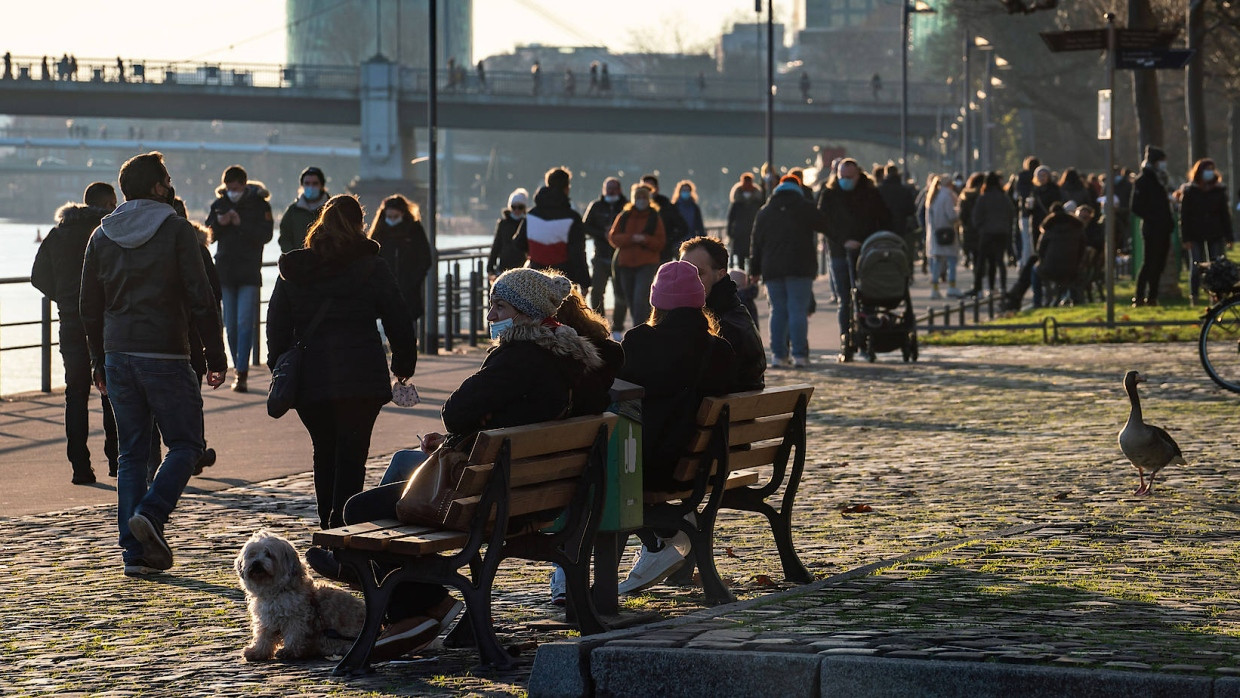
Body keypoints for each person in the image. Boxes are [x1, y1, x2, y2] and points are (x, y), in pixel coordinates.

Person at [307, 268, 600, 659]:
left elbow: (455, 411)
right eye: (490, 305)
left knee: (358, 508)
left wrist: (475, 420)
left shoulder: (516, 358)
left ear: (527, 313)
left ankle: (421, 609)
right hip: (530, 495)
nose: (491, 316)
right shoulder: (563, 358)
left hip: (487, 501)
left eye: (501, 306)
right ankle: (423, 610)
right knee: (387, 495)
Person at [80, 151, 227, 576]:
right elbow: (201, 298)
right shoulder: (177, 230)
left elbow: (88, 304)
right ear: (158, 186)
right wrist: (216, 356)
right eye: (167, 179)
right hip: (165, 351)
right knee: (186, 444)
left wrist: (97, 359)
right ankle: (152, 513)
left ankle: (135, 553)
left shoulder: (101, 235)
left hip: (117, 354)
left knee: (131, 453)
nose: (170, 185)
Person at [267, 195, 417, 530]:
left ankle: (328, 525)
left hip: (310, 377)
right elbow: (397, 316)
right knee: (352, 455)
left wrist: (278, 364)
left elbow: (276, 321)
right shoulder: (371, 267)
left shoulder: (294, 268)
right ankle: (345, 525)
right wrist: (404, 363)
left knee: (324, 449)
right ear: (359, 226)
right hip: (361, 376)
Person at [616, 260, 734, 593]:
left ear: (656, 303)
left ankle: (663, 537)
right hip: (701, 465)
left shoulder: (640, 342)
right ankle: (667, 534)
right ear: (699, 302)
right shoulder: (720, 350)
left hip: (650, 466)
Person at [31, 182, 120, 484]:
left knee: (76, 393)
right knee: (111, 391)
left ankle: (80, 467)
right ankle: (116, 460)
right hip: (105, 321)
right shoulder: (106, 233)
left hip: (70, 321)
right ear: (107, 203)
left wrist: (66, 299)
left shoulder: (58, 234)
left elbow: (37, 276)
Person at [205, 165, 273, 393]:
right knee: (230, 326)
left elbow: (266, 235)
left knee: (245, 323)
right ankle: (236, 366)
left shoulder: (260, 205)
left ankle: (242, 371)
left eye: (235, 188)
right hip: (224, 272)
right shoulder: (219, 204)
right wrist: (220, 225)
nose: (232, 192)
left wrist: (240, 224)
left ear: (244, 185)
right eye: (228, 188)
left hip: (249, 272)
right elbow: (207, 233)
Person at [817, 158, 890, 360]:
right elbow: (823, 222)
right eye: (842, 176)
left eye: (849, 177)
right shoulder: (830, 194)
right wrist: (843, 241)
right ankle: (846, 341)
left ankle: (868, 341)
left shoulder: (870, 193)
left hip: (867, 252)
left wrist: (871, 241)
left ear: (859, 175)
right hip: (839, 252)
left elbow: (884, 218)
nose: (845, 180)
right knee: (844, 299)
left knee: (868, 298)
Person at [752, 175, 829, 368]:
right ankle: (799, 355)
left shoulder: (765, 212)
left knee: (777, 311)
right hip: (800, 267)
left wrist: (754, 270)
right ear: (798, 189)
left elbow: (756, 243)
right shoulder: (806, 208)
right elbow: (826, 226)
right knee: (797, 311)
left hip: (772, 268)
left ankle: (778, 355)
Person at [171, 197, 223, 476]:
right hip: (191, 338)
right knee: (191, 399)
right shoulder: (197, 249)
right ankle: (194, 451)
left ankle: (164, 460)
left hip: (153, 339)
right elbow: (213, 296)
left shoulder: (142, 246)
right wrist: (216, 353)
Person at [681, 236, 765, 391]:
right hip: (733, 410)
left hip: (719, 412)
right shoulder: (733, 311)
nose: (687, 280)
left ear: (720, 274)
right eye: (683, 272)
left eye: (698, 273)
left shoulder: (724, 327)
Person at [514, 167, 591, 291]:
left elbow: (519, 243)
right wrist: (585, 282)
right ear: (567, 188)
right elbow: (578, 254)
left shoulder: (532, 215)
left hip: (536, 277)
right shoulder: (572, 217)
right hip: (564, 280)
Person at [608, 183, 667, 329]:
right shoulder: (624, 216)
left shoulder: (654, 218)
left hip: (646, 263)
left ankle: (639, 328)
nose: (641, 200)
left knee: (640, 298)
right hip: (625, 264)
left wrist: (645, 239)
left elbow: (660, 242)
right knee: (629, 298)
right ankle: (641, 327)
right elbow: (613, 238)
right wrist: (631, 238)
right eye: (638, 197)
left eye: (644, 197)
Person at [367, 195, 432, 323]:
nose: (391, 220)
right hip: (385, 288)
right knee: (387, 320)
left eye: (395, 217)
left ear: (403, 213)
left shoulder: (414, 230)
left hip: (408, 287)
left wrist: (414, 279)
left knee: (407, 323)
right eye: (389, 216)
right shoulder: (380, 231)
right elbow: (371, 256)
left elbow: (425, 258)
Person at [1180, 158, 1233, 305]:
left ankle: (1216, 296)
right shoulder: (1190, 191)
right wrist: (1186, 238)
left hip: (1215, 232)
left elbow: (1224, 214)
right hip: (1195, 233)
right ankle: (1194, 295)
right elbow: (1185, 216)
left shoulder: (1219, 190)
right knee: (1196, 265)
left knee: (1216, 266)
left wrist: (1229, 237)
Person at [582, 177, 629, 335]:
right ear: (603, 190)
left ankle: (617, 327)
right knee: (596, 293)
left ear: (620, 190)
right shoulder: (596, 206)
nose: (611, 192)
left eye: (614, 189)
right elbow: (585, 226)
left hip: (621, 257)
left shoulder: (627, 207)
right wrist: (603, 234)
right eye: (608, 189)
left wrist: (616, 234)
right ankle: (599, 324)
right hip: (600, 256)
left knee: (620, 293)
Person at [1130, 146, 1174, 307]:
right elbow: (1136, 206)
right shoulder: (1143, 180)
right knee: (1149, 262)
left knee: (1159, 263)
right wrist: (1154, 218)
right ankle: (1140, 295)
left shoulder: (1161, 179)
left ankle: (1153, 296)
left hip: (1163, 226)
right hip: (1152, 227)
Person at [971, 172, 1016, 298]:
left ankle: (979, 288)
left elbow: (976, 216)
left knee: (982, 261)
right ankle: (1002, 287)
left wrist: (980, 227)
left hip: (986, 232)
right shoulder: (1004, 197)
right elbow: (1011, 213)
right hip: (1001, 232)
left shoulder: (983, 197)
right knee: (999, 261)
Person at [1035, 202, 1086, 306]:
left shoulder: (1049, 227)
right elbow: (1082, 248)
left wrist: (1042, 261)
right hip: (1072, 268)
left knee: (1034, 271)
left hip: (1051, 268)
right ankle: (1066, 296)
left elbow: (1040, 249)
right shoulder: (1076, 227)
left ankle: (1037, 301)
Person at [925, 174, 961, 300]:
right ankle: (951, 286)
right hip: (947, 232)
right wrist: (958, 214)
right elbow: (951, 216)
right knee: (951, 260)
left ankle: (935, 289)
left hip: (935, 234)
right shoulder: (948, 196)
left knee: (936, 261)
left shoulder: (932, 196)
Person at [278, 166, 329, 253]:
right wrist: (293, 256)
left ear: (321, 185)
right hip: (299, 263)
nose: (311, 187)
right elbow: (284, 238)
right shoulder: (293, 211)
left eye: (315, 183)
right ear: (302, 185)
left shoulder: (332, 209)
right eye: (307, 183)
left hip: (326, 263)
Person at [641, 174, 688, 262]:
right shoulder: (633, 207)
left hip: (663, 254)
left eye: (650, 187)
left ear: (657, 188)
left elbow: (683, 227)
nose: (647, 190)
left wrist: (667, 241)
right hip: (641, 255)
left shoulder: (666, 205)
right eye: (644, 187)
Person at [487, 188, 529, 278]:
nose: (517, 210)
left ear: (524, 208)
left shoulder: (527, 223)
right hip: (504, 266)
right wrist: (490, 267)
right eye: (514, 207)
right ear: (510, 207)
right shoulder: (503, 223)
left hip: (522, 266)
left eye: (520, 207)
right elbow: (496, 245)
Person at [725, 173, 764, 269]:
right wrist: (730, 232)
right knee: (740, 258)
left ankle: (750, 278)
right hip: (740, 234)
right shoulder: (737, 202)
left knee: (753, 257)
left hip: (752, 232)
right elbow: (731, 218)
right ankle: (743, 279)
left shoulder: (757, 201)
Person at [877, 164, 917, 250]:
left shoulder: (879, 190)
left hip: (882, 227)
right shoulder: (904, 190)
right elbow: (911, 210)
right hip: (900, 227)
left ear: (885, 173)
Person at [1013, 156, 1040, 265]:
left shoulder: (1021, 177)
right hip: (1039, 213)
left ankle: (1025, 263)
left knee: (1026, 241)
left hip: (1024, 212)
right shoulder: (1039, 178)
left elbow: (1018, 194)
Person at [957, 172, 985, 274]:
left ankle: (975, 275)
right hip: (981, 230)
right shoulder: (982, 196)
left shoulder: (965, 196)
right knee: (981, 255)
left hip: (968, 230)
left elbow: (961, 215)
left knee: (974, 253)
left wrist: (964, 225)